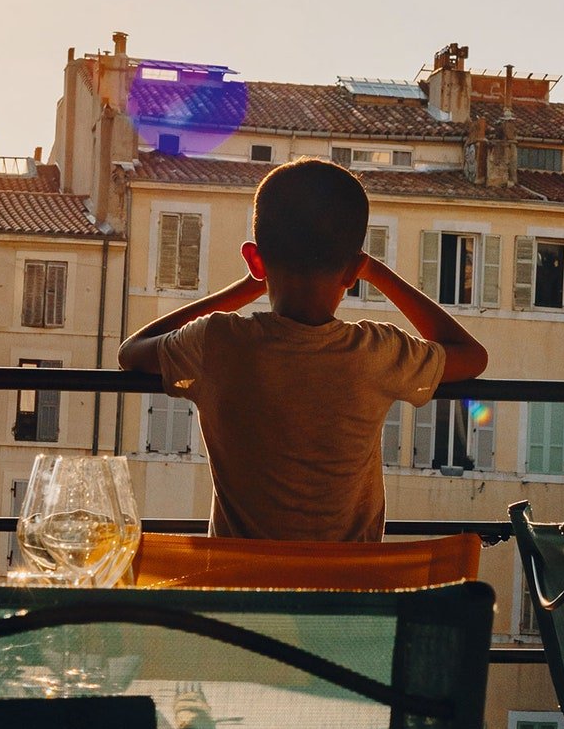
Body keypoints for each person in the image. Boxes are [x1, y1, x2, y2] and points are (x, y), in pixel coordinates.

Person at [119, 158, 489, 541]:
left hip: (240, 589)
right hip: (343, 593)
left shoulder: (216, 341)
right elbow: (471, 355)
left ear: (255, 260)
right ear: (352, 271)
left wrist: (243, 289)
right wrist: (377, 272)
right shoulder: (377, 352)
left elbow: (131, 351)